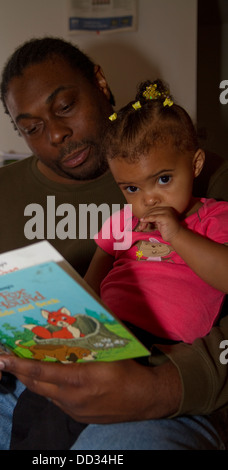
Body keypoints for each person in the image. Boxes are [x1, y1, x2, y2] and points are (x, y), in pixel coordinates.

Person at [0, 37, 226, 450]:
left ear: (100, 83)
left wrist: (163, 385)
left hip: (161, 382)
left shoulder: (205, 178)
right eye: (31, 128)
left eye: (65, 106)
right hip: (20, 390)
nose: (56, 134)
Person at [84, 79, 228, 346]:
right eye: (131, 188)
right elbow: (89, 288)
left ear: (195, 165)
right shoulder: (121, 223)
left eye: (163, 180)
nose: (148, 199)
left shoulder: (215, 217)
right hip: (109, 335)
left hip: (167, 348)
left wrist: (177, 234)